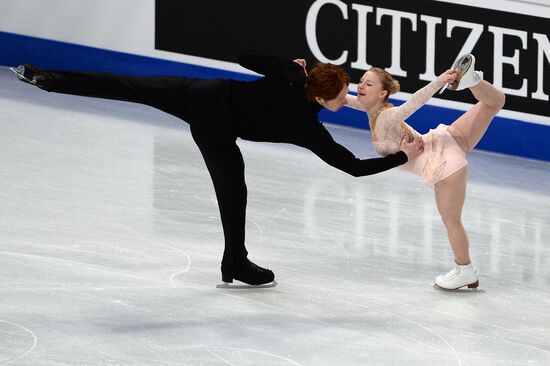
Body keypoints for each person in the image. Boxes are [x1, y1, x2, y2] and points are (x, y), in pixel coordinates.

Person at [11, 50, 423, 287]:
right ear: (323, 98)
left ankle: (48, 78)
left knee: (127, 86)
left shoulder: (292, 78)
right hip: (216, 130)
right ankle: (235, 262)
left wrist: (288, 64)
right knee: (232, 194)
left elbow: (243, 55)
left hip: (200, 96)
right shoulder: (306, 129)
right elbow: (351, 167)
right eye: (341, 96)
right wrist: (401, 158)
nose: (346, 98)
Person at [345, 54, 506, 290]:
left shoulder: (387, 116)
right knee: (495, 102)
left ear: (382, 94)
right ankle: (472, 81)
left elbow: (413, 104)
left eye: (368, 84)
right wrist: (305, 81)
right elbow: (342, 100)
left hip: (442, 165)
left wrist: (439, 81)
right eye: (361, 81)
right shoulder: (371, 109)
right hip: (444, 141)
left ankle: (465, 270)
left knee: (451, 220)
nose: (361, 85)